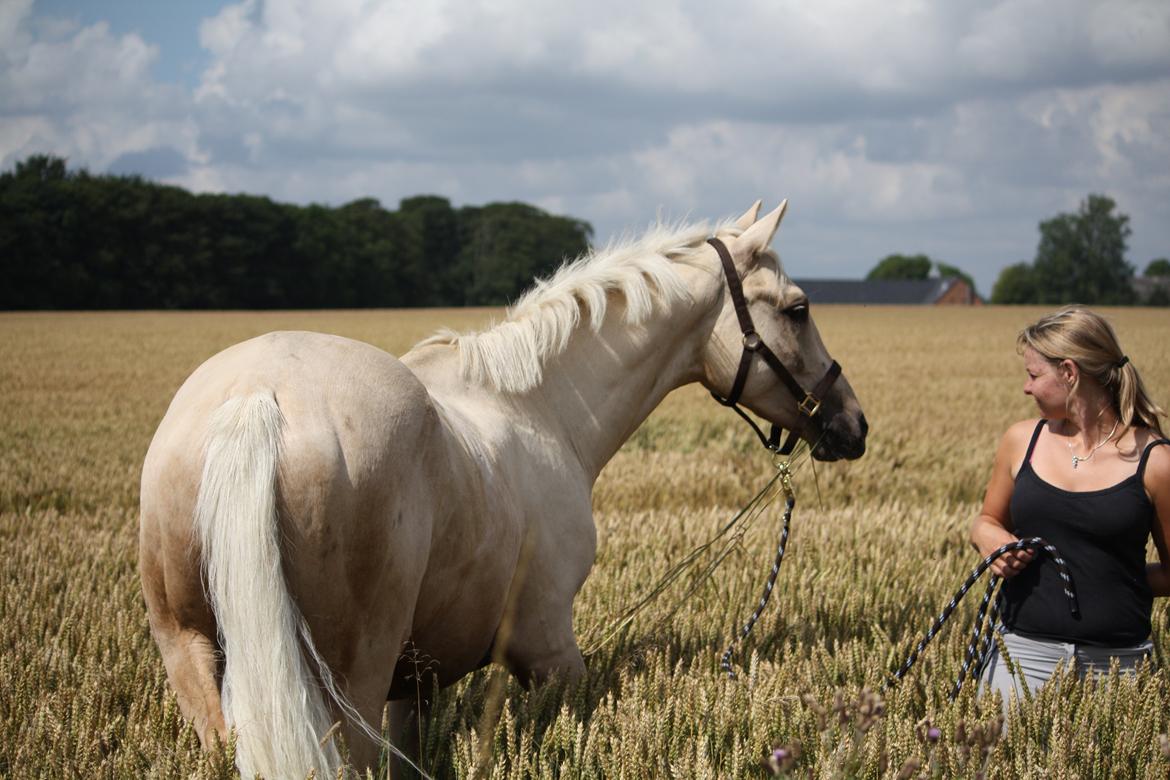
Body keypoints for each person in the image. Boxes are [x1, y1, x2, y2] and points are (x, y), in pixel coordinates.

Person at [971, 306, 1169, 702]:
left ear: (1069, 372)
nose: (1026, 388)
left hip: (1118, 672)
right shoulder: (1020, 440)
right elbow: (987, 519)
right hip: (1019, 662)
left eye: (1033, 375)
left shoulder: (1156, 462)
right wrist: (989, 539)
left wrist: (1114, 578)